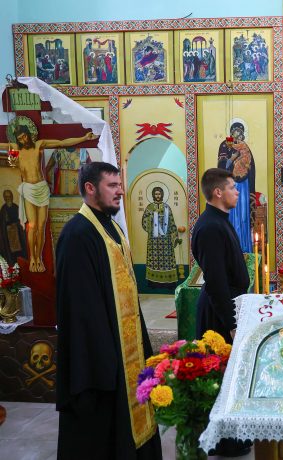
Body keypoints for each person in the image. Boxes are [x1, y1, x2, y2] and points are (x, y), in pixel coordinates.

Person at [55, 162, 162, 459]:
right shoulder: (77, 235)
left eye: (120, 185)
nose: (120, 191)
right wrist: (105, 363)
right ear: (90, 188)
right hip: (99, 361)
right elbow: (80, 311)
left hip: (123, 350)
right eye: (112, 186)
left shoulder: (112, 227)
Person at [191, 168, 251, 457]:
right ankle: (221, 441)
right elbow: (215, 280)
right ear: (218, 192)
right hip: (218, 309)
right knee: (218, 376)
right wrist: (232, 322)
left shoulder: (219, 221)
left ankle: (232, 436)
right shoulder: (210, 227)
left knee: (229, 375)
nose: (237, 192)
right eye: (232, 187)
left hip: (226, 304)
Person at [1, 122, 97, 272]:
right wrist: (13, 159)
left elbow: (61, 143)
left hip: (41, 188)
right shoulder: (15, 147)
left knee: (41, 226)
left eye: (24, 136)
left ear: (28, 134)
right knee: (32, 225)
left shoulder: (39, 145)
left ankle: (39, 257)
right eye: (20, 138)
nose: (23, 140)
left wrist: (84, 138)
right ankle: (32, 258)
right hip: (28, 189)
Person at [217, 122, 255, 253]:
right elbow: (221, 166)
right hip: (229, 184)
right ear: (231, 132)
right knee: (231, 214)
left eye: (240, 131)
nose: (237, 134)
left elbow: (251, 168)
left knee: (243, 215)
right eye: (235, 131)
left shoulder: (244, 146)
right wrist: (232, 159)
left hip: (243, 186)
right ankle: (230, 247)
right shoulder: (225, 145)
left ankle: (244, 247)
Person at [141, 186, 181, 289]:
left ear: (162, 195)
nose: (157, 196)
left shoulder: (167, 207)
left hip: (166, 240)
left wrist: (175, 237)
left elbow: (172, 222)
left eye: (159, 194)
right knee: (154, 261)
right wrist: (152, 217)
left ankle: (169, 284)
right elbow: (144, 222)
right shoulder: (149, 208)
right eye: (156, 194)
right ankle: (153, 284)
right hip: (153, 241)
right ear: (153, 195)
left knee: (168, 261)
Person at [0, 190, 27, 265]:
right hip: (8, 237)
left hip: (17, 235)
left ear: (12, 197)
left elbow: (21, 221)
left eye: (9, 196)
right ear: (4, 198)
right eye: (6, 196)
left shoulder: (16, 207)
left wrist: (16, 225)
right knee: (11, 255)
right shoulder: (3, 210)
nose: (8, 198)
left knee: (19, 254)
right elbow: (2, 225)